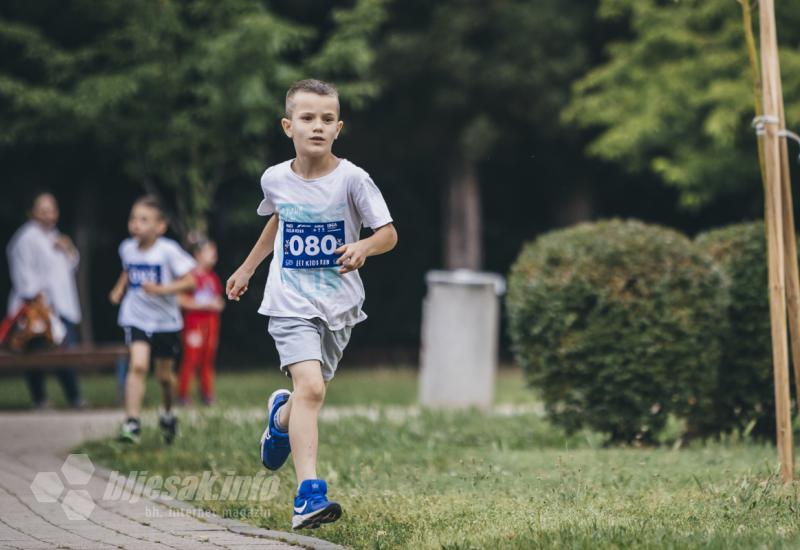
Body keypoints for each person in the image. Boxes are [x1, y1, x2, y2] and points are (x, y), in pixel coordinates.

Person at [226, 79, 398, 530]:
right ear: (288, 126)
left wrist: (363, 247)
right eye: (307, 118)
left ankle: (279, 420)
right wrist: (247, 269)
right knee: (314, 390)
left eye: (326, 119)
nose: (317, 127)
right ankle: (308, 495)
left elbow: (388, 234)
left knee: (307, 395)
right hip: (288, 302)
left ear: (338, 128)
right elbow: (278, 222)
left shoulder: (353, 179)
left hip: (339, 305)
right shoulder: (275, 178)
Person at [109, 195, 196, 444]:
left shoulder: (168, 251)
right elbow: (128, 269)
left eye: (144, 220)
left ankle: (168, 414)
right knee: (138, 366)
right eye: (133, 218)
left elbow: (190, 281)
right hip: (136, 317)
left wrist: (161, 289)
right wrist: (119, 288)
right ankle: (132, 423)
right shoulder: (127, 248)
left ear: (160, 226)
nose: (136, 224)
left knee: (164, 378)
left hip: (165, 322)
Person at [6, 192, 85, 409]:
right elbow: (22, 273)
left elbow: (70, 265)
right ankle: (41, 399)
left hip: (61, 306)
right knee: (37, 354)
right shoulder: (26, 238)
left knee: (64, 353)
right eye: (43, 209)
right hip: (39, 308)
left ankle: (74, 397)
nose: (48, 214)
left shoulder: (55, 236)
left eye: (51, 209)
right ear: (32, 212)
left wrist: (68, 248)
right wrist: (35, 298)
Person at [177, 239, 224, 406]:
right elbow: (180, 300)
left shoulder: (212, 277)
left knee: (207, 360)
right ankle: (182, 395)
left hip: (211, 325)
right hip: (194, 325)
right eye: (209, 251)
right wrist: (205, 305)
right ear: (197, 255)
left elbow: (218, 300)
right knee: (191, 360)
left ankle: (207, 394)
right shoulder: (190, 276)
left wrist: (217, 304)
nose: (213, 255)